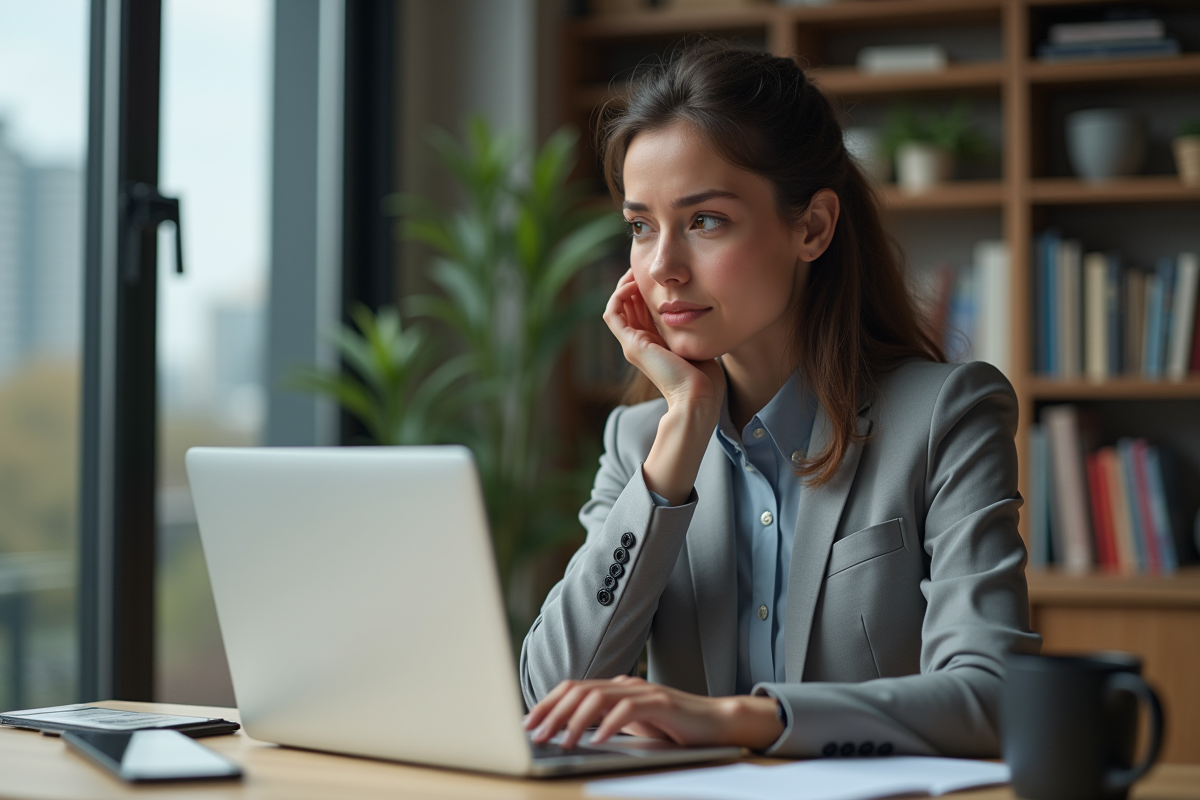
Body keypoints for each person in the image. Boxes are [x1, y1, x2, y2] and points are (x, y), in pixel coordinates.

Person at [519, 43, 1040, 759]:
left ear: (812, 227)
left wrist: (740, 719)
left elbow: (992, 696)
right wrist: (678, 443)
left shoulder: (946, 416)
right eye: (641, 226)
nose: (662, 267)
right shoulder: (640, 444)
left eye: (705, 220)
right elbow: (551, 696)